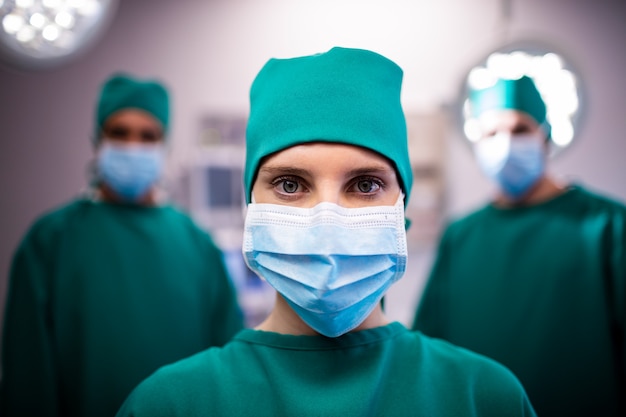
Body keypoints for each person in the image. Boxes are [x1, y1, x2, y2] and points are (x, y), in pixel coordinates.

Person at [115, 47, 536, 417]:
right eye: (290, 185)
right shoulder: (170, 404)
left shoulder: (483, 398)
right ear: (251, 206)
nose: (326, 220)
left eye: (365, 185)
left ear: (401, 208)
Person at [0, 74, 244, 417]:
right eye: (119, 133)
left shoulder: (197, 244)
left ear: (164, 147)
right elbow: (28, 376)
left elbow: (227, 365)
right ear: (97, 141)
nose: (133, 146)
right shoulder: (51, 241)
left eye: (148, 136)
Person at [412, 75, 626, 416]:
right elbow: (428, 349)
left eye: (520, 130)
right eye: (491, 134)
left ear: (546, 136)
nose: (505, 143)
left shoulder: (608, 225)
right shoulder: (460, 236)